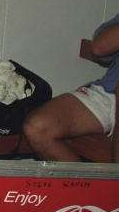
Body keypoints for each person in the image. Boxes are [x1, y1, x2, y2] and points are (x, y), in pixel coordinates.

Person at [24, 14, 119, 163]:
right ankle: (88, 186)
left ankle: (112, 184)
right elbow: (99, 48)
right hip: (110, 91)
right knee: (38, 127)